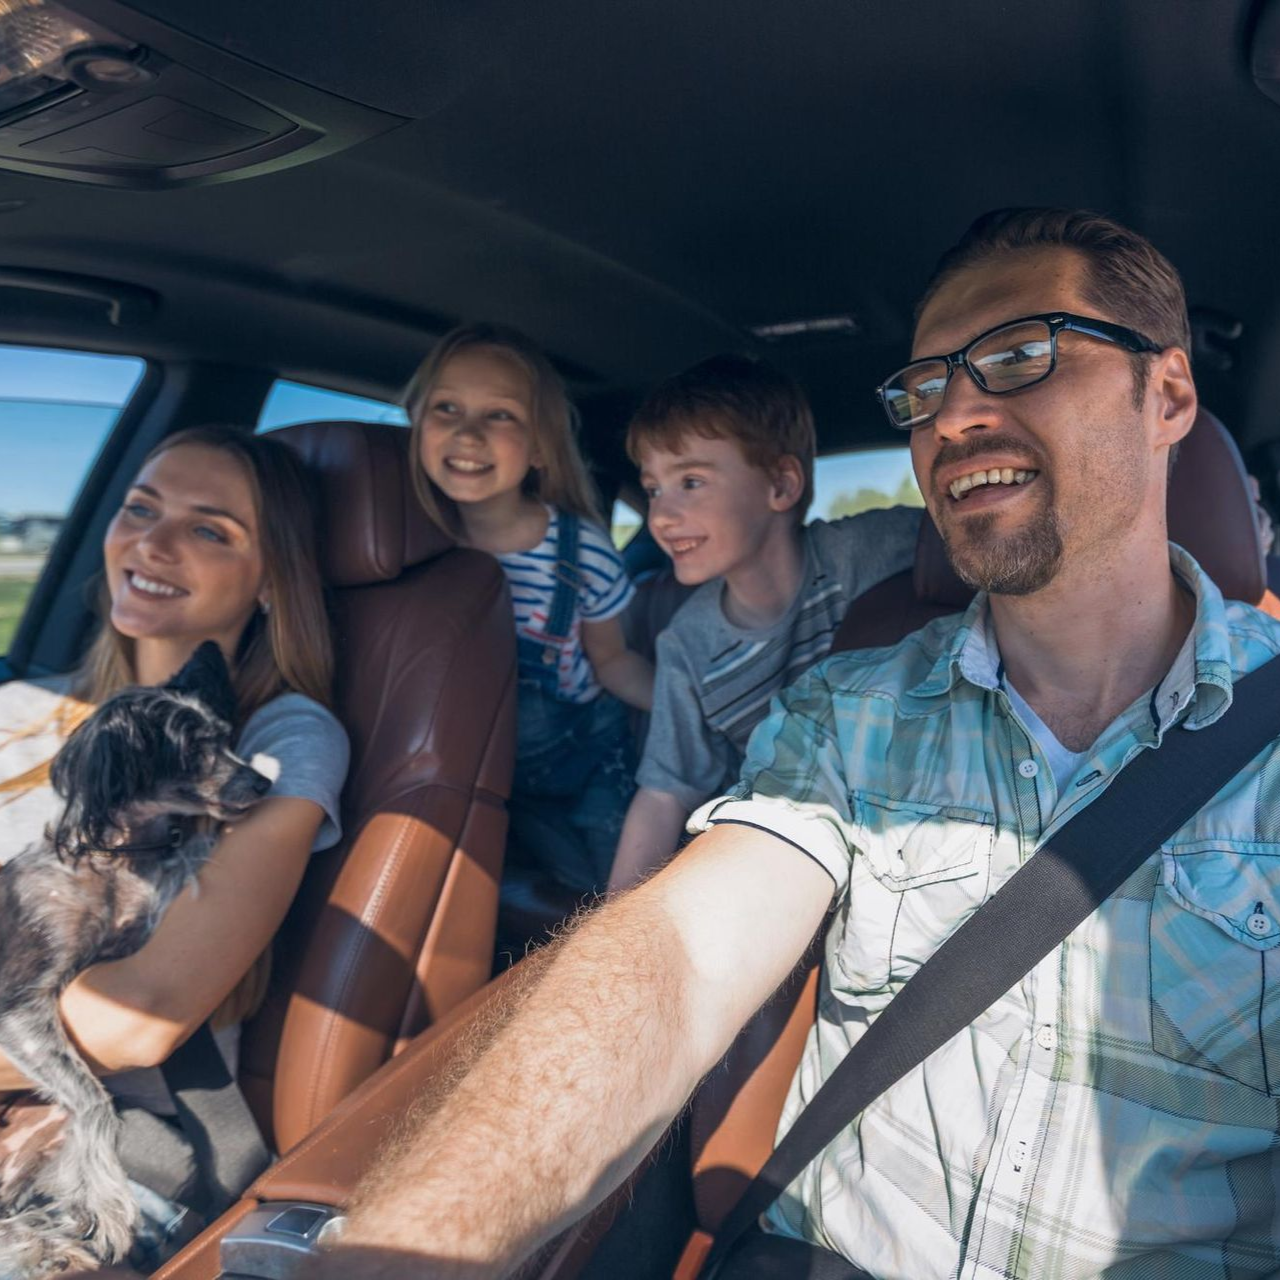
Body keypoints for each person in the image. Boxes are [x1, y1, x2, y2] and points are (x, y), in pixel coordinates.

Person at [315, 207, 1280, 1280]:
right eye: (921, 390)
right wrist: (403, 1250)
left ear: (1168, 396)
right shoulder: (846, 711)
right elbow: (676, 955)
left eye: (1017, 357)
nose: (952, 415)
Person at [0, 425, 349, 1266]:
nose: (151, 541)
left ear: (272, 581)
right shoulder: (22, 702)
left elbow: (137, 1016)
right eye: (140, 507)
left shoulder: (278, 741)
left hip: (97, 1156)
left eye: (208, 529)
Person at [607, 355, 920, 891]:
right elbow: (666, 791)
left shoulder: (866, 553)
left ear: (780, 485)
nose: (660, 515)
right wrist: (607, 925)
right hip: (781, 858)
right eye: (654, 489)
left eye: (691, 481)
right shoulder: (688, 642)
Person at [406, 323, 652, 897]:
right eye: (447, 408)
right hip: (482, 768)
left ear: (540, 447)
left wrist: (686, 705)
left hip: (585, 760)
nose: (468, 433)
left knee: (613, 893)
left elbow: (613, 661)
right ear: (417, 426)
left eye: (501, 416)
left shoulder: (580, 549)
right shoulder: (408, 544)